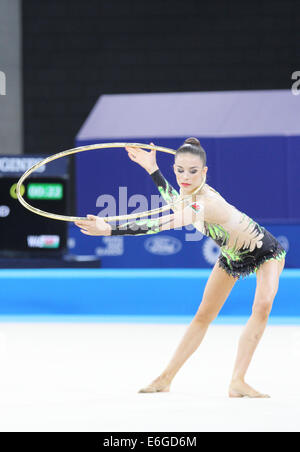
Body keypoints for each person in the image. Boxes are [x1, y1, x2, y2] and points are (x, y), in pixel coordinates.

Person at [74, 138, 287, 398]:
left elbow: (162, 223)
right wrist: (152, 169)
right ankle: (165, 378)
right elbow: (175, 202)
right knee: (203, 316)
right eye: (179, 170)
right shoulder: (187, 194)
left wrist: (109, 228)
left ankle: (238, 380)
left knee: (262, 306)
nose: (185, 177)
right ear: (174, 167)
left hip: (265, 251)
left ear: (205, 172)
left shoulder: (206, 202)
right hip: (232, 255)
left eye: (193, 171)